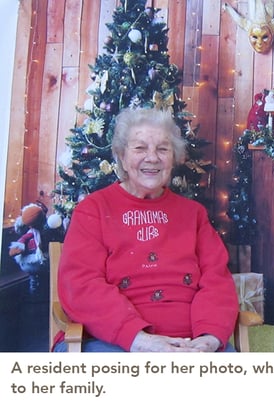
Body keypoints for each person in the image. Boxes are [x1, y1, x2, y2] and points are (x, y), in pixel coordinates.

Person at [54, 107, 239, 352]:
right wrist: (139, 340)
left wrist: (208, 339)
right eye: (140, 148)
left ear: (174, 158)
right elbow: (81, 284)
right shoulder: (94, 209)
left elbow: (217, 281)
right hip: (115, 341)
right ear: (121, 155)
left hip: (191, 342)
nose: (152, 158)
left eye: (163, 149)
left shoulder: (193, 214)